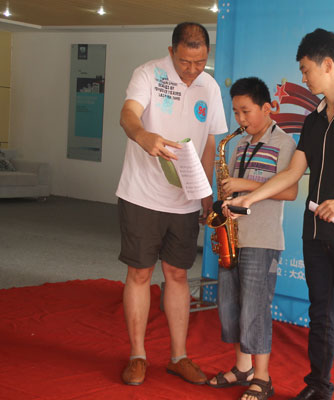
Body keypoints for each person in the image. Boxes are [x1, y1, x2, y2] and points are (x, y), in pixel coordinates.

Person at [224, 29, 334, 400]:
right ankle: (319, 386)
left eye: (306, 70)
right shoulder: (313, 121)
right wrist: (248, 199)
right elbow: (291, 174)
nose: (303, 78)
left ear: (327, 64)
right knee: (320, 313)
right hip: (315, 235)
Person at [116, 22, 228, 386]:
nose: (192, 70)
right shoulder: (148, 74)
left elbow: (209, 143)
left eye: (200, 62)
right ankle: (137, 356)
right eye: (185, 62)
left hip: (184, 200)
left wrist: (205, 193)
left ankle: (178, 356)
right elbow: (128, 114)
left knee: (178, 275)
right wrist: (143, 135)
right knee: (140, 273)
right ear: (171, 52)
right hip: (142, 195)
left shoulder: (210, 87)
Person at [207, 77, 298, 400]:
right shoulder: (240, 144)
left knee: (255, 309)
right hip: (234, 237)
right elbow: (230, 187)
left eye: (246, 111)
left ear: (267, 108)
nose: (241, 119)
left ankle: (262, 377)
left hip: (263, 239)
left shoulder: (284, 143)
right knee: (230, 306)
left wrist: (243, 185)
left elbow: (289, 191)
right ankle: (242, 368)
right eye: (236, 112)